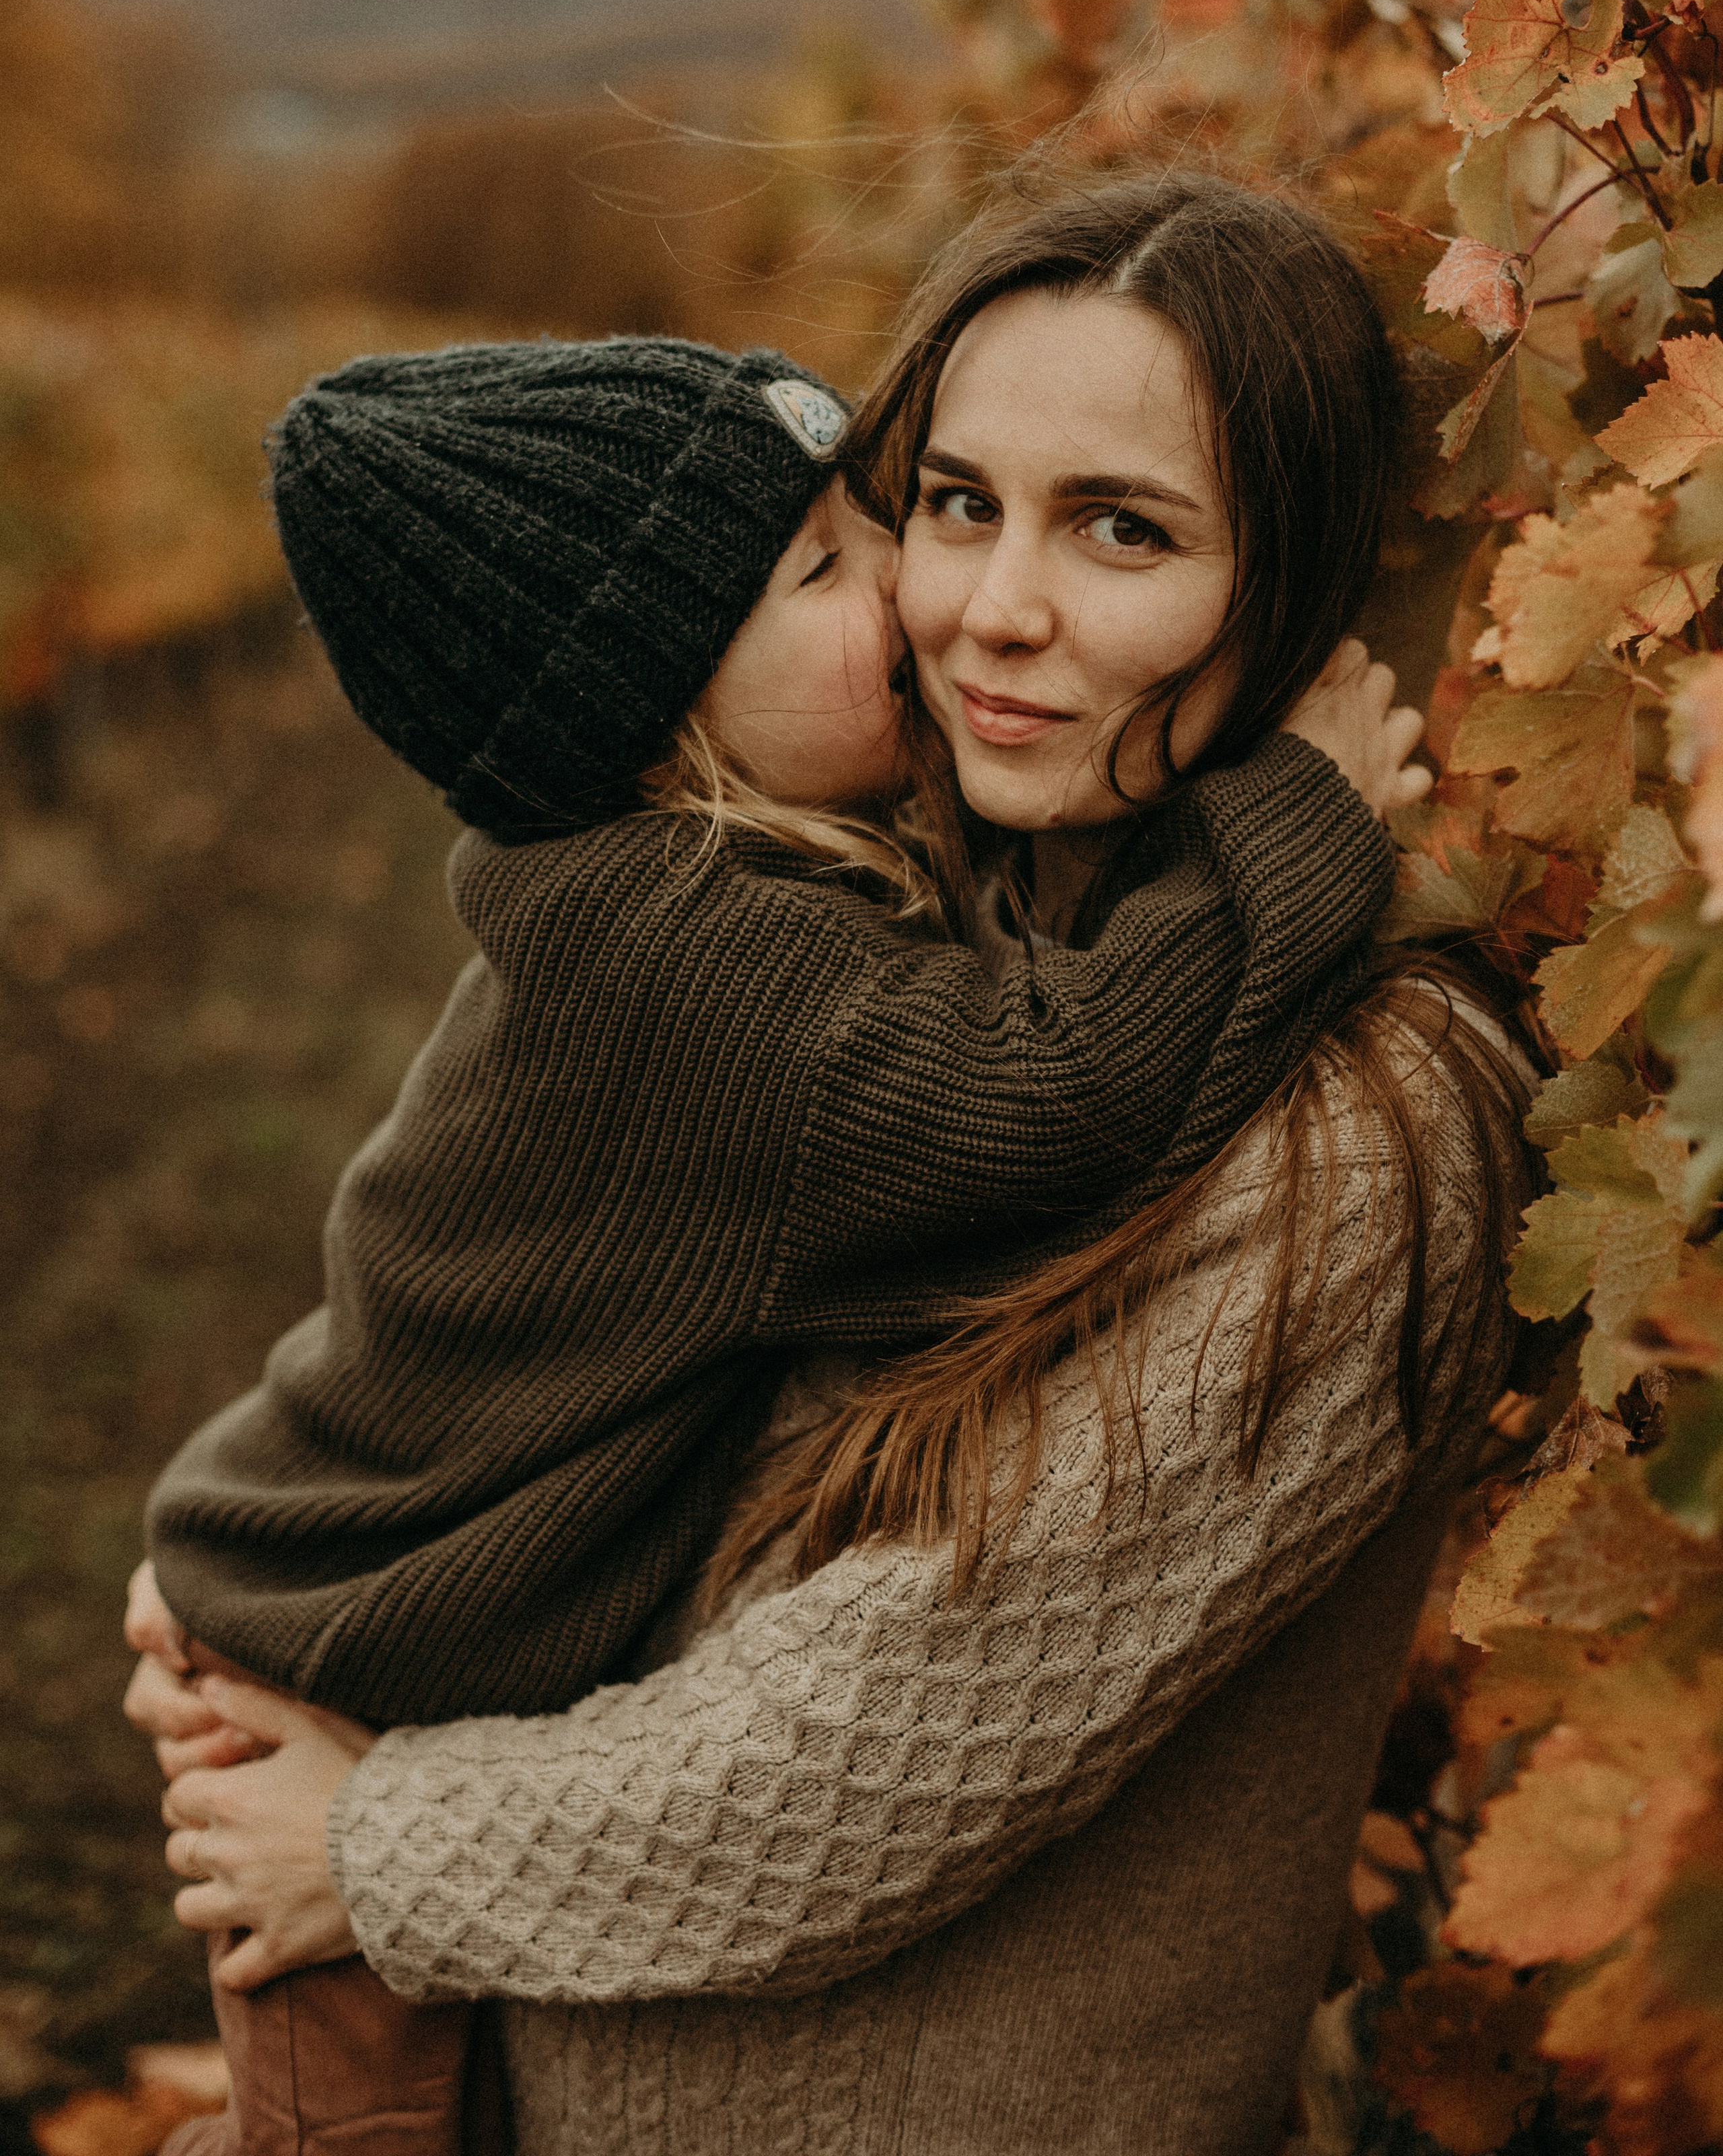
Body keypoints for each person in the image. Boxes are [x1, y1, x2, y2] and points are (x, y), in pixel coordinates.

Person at [128, 172, 1524, 2156]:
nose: (985, 609)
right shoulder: (896, 937)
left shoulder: (1375, 1124)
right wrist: (277, 1599)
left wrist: (361, 1840)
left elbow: (860, 1757)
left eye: (1122, 529)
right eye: (952, 504)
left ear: (1289, 587)